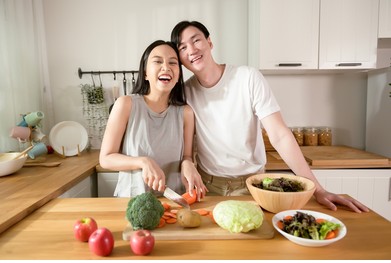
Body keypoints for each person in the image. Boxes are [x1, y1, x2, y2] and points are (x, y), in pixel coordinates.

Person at [170, 20, 369, 213]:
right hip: (207, 187)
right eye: (182, 47)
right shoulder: (186, 93)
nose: (192, 50)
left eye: (196, 40)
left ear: (209, 42)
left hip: (252, 185)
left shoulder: (247, 78)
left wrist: (318, 190)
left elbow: (280, 135)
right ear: (180, 58)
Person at [99, 40, 206, 198]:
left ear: (178, 75)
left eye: (172, 62)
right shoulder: (125, 104)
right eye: (157, 61)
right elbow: (106, 159)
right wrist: (143, 162)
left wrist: (188, 163)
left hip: (174, 200)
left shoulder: (186, 113)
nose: (166, 67)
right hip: (132, 200)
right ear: (145, 73)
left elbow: (187, 156)